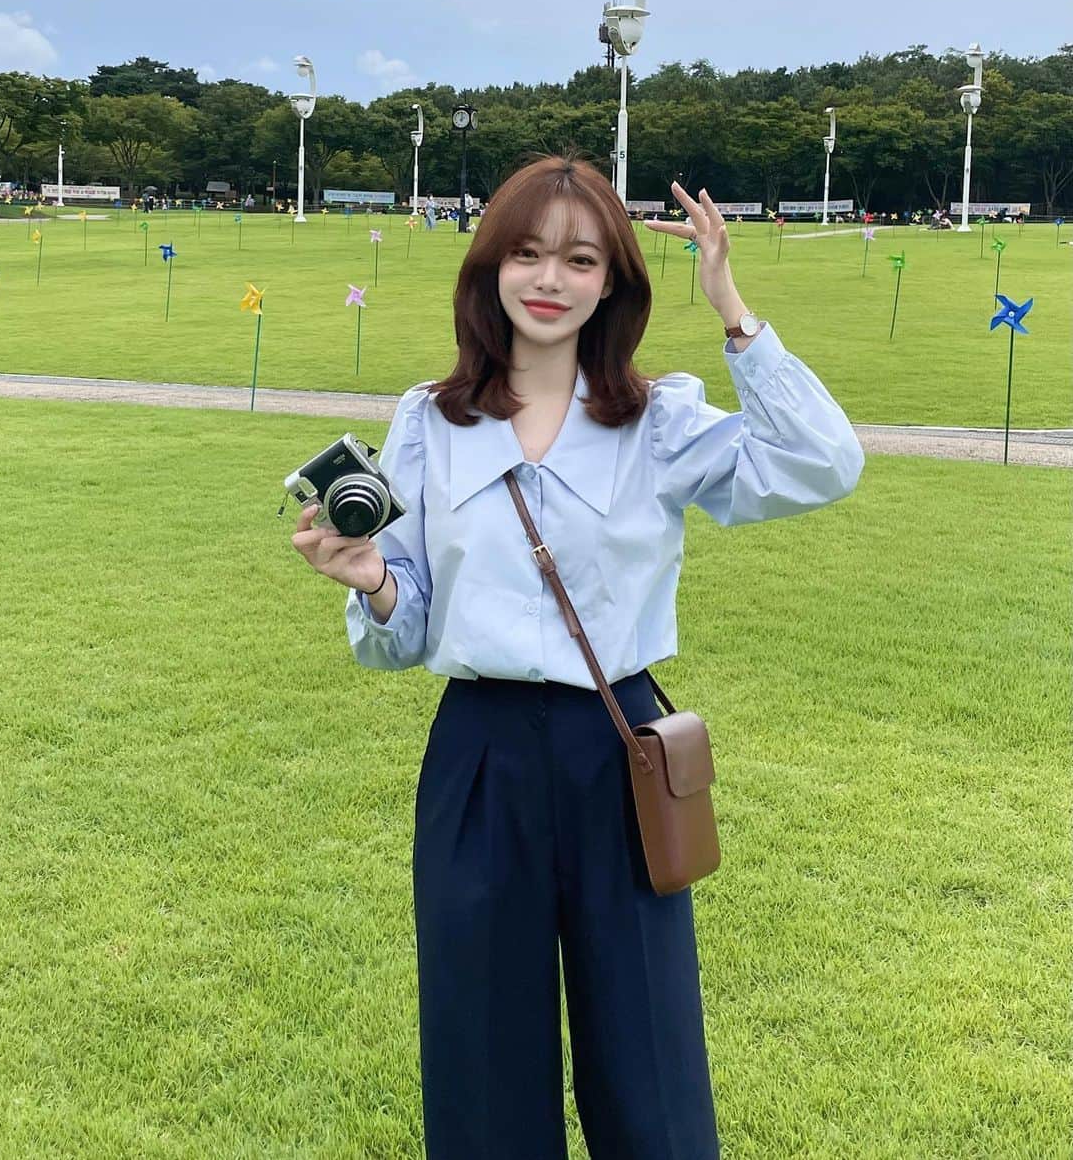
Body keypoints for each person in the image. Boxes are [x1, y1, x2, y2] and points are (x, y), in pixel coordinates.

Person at [290, 155, 864, 1160]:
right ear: (490, 269)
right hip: (478, 756)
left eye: (581, 259)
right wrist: (373, 579)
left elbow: (823, 463)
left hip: (620, 749)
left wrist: (733, 309)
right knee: (481, 1054)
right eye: (526, 253)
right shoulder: (431, 419)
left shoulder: (659, 418)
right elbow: (406, 631)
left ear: (612, 284)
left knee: (649, 1058)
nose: (549, 279)